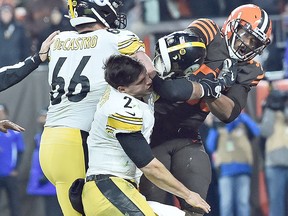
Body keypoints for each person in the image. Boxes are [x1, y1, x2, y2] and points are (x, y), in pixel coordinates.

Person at [139, 4, 272, 215]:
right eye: (245, 35)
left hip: (188, 135)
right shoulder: (209, 31)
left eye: (254, 41)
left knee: (198, 206)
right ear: (231, 24)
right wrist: (208, 83)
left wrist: (211, 91)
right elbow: (173, 61)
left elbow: (229, 113)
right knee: (148, 206)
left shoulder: (251, 68)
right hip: (153, 130)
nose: (247, 44)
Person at [39, 1, 155, 215]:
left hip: (50, 142)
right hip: (79, 140)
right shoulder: (117, 37)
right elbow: (148, 70)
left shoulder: (58, 40)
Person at [80, 54, 210, 216]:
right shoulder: (120, 108)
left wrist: (148, 64)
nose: (148, 82)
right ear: (122, 89)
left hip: (122, 189)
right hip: (108, 189)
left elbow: (171, 89)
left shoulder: (128, 88)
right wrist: (188, 194)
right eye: (140, 82)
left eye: (146, 76)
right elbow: (149, 166)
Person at [206, 112, 260, 216]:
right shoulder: (219, 124)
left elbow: (256, 131)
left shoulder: (242, 122)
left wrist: (241, 116)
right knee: (226, 204)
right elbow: (210, 145)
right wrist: (214, 126)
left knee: (243, 203)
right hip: (225, 171)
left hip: (243, 169)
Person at [26, 108, 62, 216]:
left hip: (51, 179)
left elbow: (57, 157)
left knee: (55, 208)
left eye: (44, 116)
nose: (41, 119)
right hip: (41, 175)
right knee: (48, 208)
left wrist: (47, 176)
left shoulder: (55, 135)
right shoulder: (38, 135)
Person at [260, 90, 288, 216]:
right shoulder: (270, 112)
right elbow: (265, 131)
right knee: (276, 203)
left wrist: (284, 107)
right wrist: (271, 108)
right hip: (275, 164)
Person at [0, 104, 26, 216]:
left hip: (9, 173)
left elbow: (20, 151)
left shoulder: (13, 132)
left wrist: (15, 168)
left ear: (6, 113)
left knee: (14, 202)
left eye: (1, 111)